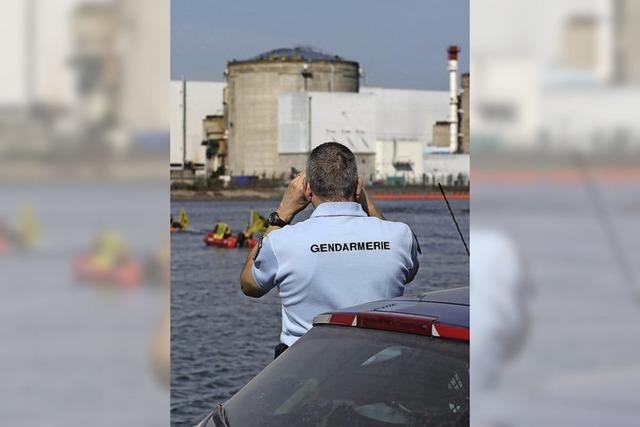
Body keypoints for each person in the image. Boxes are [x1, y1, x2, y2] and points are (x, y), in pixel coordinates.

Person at [239, 142, 420, 358]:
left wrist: (282, 215)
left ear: (308, 189)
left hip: (307, 368)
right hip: (381, 369)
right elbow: (407, 274)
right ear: (358, 187)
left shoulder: (282, 242)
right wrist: (367, 204)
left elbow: (250, 285)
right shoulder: (400, 236)